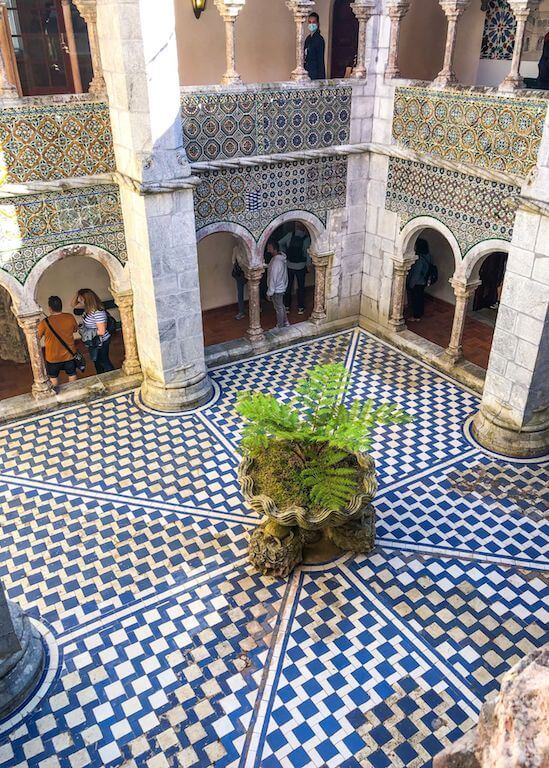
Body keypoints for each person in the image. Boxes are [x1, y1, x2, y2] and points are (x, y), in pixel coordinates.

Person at [37, 295, 79, 387]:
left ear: (49, 308)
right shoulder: (70, 317)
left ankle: (56, 395)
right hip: (69, 355)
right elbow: (75, 330)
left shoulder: (44, 322)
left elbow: (37, 337)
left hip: (52, 357)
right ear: (61, 306)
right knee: (72, 374)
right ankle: (74, 391)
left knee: (53, 377)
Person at [72, 288, 114, 374]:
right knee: (97, 362)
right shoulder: (88, 309)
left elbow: (101, 331)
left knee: (104, 362)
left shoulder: (98, 312)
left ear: (87, 300)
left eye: (81, 299)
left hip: (101, 342)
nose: (79, 301)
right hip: (94, 341)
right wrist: (78, 293)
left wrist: (87, 333)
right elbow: (73, 305)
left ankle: (113, 376)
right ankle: (102, 378)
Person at [280, 223, 311, 314]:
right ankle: (300, 308)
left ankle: (287, 306)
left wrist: (284, 253)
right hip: (301, 266)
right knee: (301, 287)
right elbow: (307, 253)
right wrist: (308, 265)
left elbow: (280, 243)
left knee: (289, 286)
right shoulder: (306, 239)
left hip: (289, 265)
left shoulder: (290, 235)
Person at [406, 238, 433, 322]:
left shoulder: (419, 259)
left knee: (416, 299)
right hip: (423, 281)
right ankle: (420, 313)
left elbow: (416, 273)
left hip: (417, 282)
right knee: (420, 297)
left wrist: (410, 284)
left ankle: (416, 316)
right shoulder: (428, 255)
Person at [266, 239, 289, 329]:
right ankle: (285, 322)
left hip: (277, 289)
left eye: (269, 247)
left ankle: (280, 326)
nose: (267, 248)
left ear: (273, 248)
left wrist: (269, 292)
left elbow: (273, 278)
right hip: (281, 286)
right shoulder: (279, 259)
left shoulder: (276, 262)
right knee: (281, 306)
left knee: (278, 308)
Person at [304, 12, 326, 81]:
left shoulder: (319, 39)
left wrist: (321, 79)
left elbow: (320, 60)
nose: (311, 24)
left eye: (313, 22)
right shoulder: (308, 38)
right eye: (310, 22)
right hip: (306, 72)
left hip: (315, 74)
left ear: (318, 23)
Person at [231, 238, 247, 320]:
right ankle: (241, 311)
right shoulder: (236, 249)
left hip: (249, 271)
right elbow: (233, 261)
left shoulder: (247, 247)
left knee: (253, 291)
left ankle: (256, 309)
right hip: (240, 273)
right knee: (240, 292)